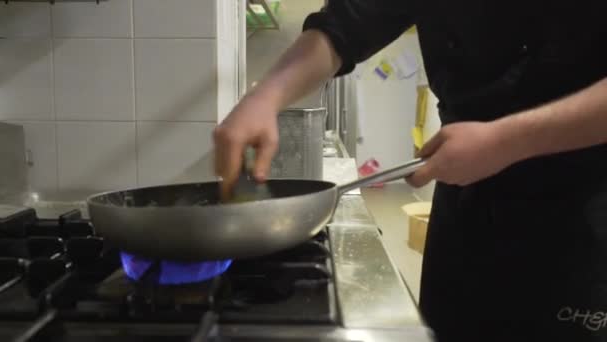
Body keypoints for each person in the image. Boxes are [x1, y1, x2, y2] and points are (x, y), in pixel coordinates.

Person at [213, 1, 607, 341]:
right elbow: (343, 27)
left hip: (582, 215)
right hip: (467, 206)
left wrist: (507, 141)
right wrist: (265, 96)